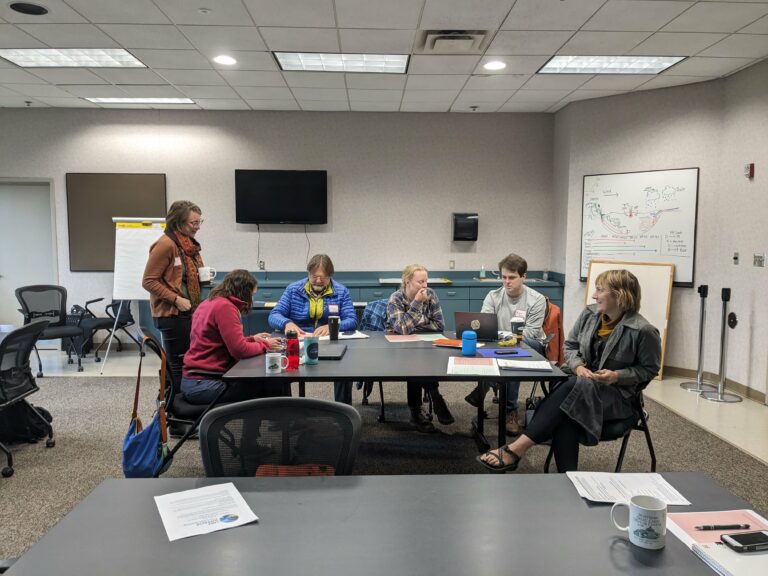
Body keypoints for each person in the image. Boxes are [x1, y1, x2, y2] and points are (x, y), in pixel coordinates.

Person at [477, 269, 661, 473]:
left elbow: (649, 370)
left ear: (620, 295)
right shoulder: (590, 314)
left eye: (600, 290)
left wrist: (617, 376)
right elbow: (570, 346)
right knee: (567, 411)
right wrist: (578, 366)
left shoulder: (643, 331)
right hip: (581, 387)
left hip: (617, 399)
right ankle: (567, 480)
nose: (594, 295)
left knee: (572, 389)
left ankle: (517, 449)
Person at [464, 253, 547, 435]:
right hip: (501, 344)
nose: (507, 282)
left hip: (532, 346)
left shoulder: (537, 300)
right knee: (504, 352)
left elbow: (530, 333)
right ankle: (498, 396)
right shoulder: (493, 296)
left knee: (514, 352)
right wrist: (501, 337)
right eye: (503, 277)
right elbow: (484, 325)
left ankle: (504, 403)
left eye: (512, 277)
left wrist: (503, 337)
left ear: (523, 277)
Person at [182, 270, 284, 404]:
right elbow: (239, 350)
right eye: (251, 295)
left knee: (268, 382)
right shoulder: (225, 307)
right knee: (273, 383)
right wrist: (266, 345)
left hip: (195, 380)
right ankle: (280, 423)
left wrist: (253, 339)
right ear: (244, 292)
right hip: (205, 383)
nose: (251, 300)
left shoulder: (210, 302)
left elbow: (219, 340)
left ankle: (271, 423)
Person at [268, 254, 357, 403]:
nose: (318, 281)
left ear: (330, 276)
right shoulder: (293, 289)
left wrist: (332, 326)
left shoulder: (341, 291)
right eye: (314, 276)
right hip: (298, 343)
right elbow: (274, 315)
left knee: (345, 371)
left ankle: (344, 412)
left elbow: (352, 320)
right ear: (308, 273)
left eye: (323, 277)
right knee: (278, 370)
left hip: (330, 343)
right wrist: (287, 323)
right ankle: (283, 411)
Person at [142, 200, 207, 389]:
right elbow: (149, 281)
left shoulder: (187, 245)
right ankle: (175, 408)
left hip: (186, 312)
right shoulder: (166, 244)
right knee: (178, 365)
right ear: (178, 222)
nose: (197, 227)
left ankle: (177, 404)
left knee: (185, 362)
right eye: (193, 223)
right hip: (172, 313)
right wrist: (176, 299)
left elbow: (181, 276)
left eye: (199, 222)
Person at [386, 264, 455, 433]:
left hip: (425, 343)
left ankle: (418, 409)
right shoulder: (396, 299)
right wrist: (417, 304)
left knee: (420, 360)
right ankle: (432, 397)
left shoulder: (431, 295)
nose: (425, 286)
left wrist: (412, 325)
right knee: (414, 363)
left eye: (426, 281)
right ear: (408, 282)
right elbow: (402, 329)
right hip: (397, 348)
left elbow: (439, 325)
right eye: (420, 282)